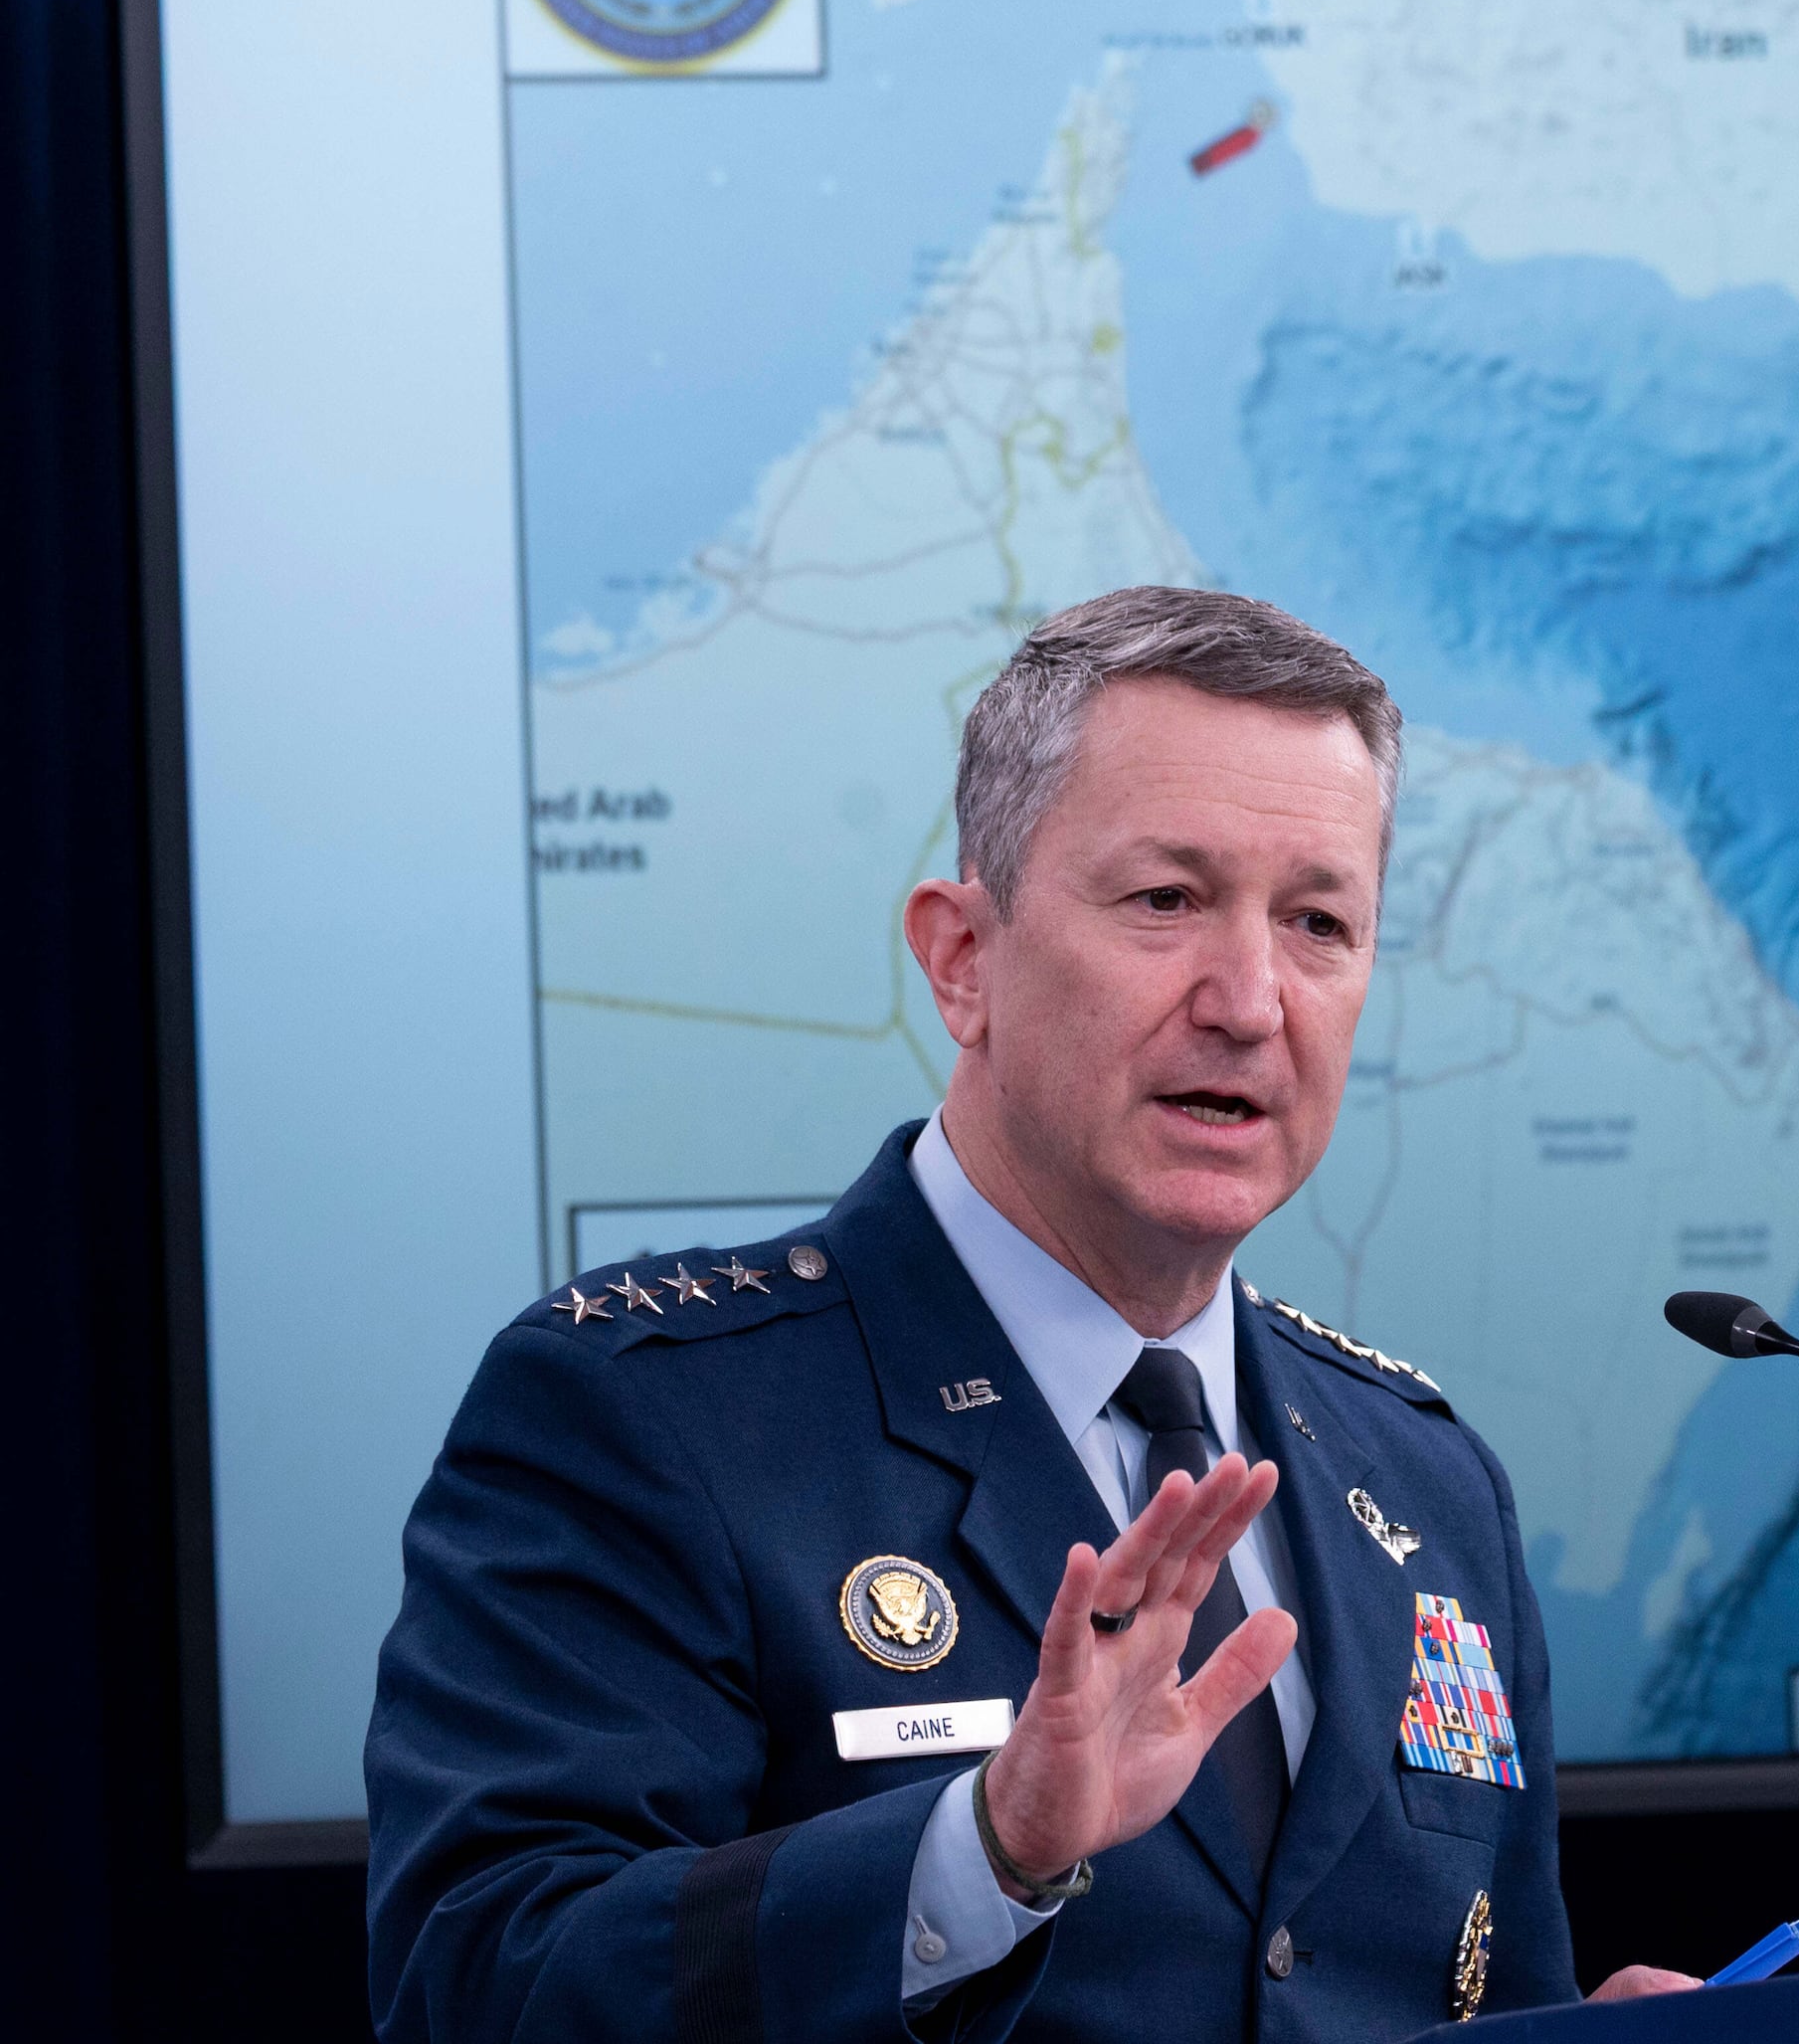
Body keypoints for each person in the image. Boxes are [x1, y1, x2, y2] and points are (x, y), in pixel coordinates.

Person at [366, 588, 1701, 2043]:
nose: (1250, 1001)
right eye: (1167, 900)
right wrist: (980, 1852)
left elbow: (1485, 1994)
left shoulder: (1430, 1483)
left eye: (1319, 921)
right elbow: (484, 1985)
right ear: (963, 959)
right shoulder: (642, 1412)